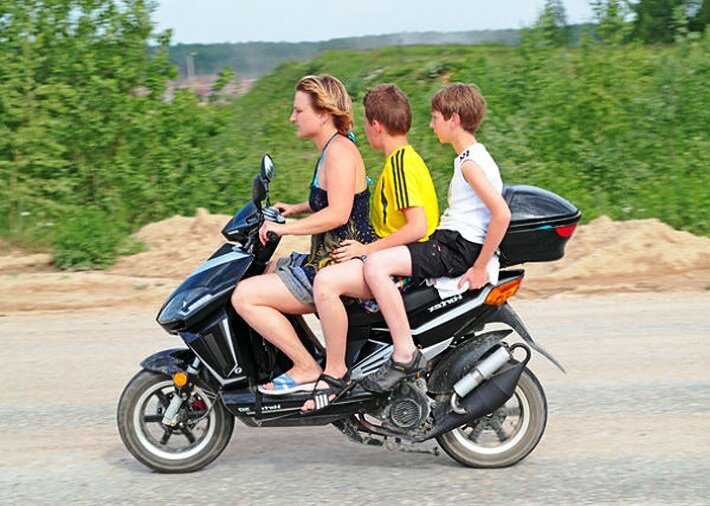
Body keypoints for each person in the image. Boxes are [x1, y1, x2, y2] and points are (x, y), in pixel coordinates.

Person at [360, 82, 512, 394]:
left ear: (454, 119)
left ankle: (404, 353)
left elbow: (502, 214)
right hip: (452, 242)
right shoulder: (472, 157)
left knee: (375, 266)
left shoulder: (470, 163)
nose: (431, 125)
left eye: (435, 118)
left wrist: (481, 267)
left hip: (457, 248)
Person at [232, 74, 374, 395]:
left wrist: (285, 228)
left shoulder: (338, 153)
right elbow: (331, 200)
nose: (292, 117)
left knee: (245, 296)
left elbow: (338, 213)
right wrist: (294, 208)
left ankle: (307, 366)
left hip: (337, 264)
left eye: (299, 111)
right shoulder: (332, 148)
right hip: (326, 257)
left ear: (323, 113)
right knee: (267, 269)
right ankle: (303, 355)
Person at [301, 84, 439, 412]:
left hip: (403, 266)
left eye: (365, 123)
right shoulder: (404, 160)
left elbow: (417, 227)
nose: (363, 130)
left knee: (326, 282)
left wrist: (367, 249)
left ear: (376, 125)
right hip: (399, 258)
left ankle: (336, 373)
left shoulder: (401, 165)